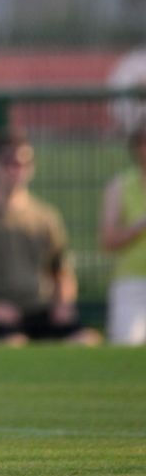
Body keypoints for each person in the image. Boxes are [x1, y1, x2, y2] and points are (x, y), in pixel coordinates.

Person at [0, 128, 100, 345]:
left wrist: (62, 305)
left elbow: (62, 272)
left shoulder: (46, 217)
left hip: (40, 310)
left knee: (85, 340)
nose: (15, 170)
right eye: (7, 162)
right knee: (13, 343)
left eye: (23, 163)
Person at [99, 122, 146, 345]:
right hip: (132, 281)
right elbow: (108, 241)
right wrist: (139, 227)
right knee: (126, 345)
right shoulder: (120, 186)